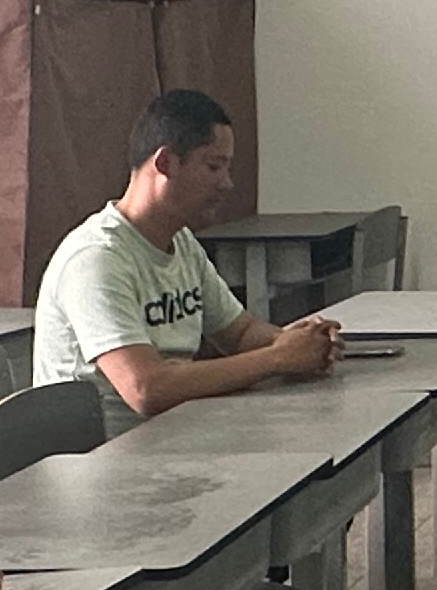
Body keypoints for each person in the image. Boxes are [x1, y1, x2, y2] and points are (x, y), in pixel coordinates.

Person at [35, 88, 342, 436]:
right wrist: (277, 358)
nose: (226, 184)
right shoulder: (96, 259)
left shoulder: (181, 242)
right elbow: (146, 389)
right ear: (165, 163)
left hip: (173, 437)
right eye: (213, 166)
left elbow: (240, 333)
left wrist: (303, 343)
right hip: (106, 456)